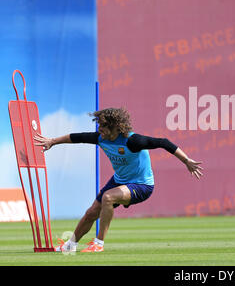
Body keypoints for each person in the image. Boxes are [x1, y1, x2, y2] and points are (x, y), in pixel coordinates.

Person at [34, 107, 203, 253]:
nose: (100, 130)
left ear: (115, 128)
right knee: (91, 213)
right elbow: (76, 137)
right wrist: (52, 142)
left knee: (108, 197)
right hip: (119, 180)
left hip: (141, 185)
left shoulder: (132, 141)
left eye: (104, 127)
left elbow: (163, 142)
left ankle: (98, 244)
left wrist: (186, 160)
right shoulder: (101, 138)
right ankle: (70, 246)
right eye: (99, 126)